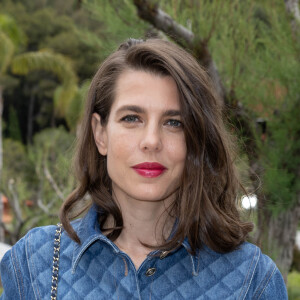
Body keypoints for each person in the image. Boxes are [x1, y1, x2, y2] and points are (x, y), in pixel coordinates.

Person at [0, 38, 287, 300]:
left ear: (196, 140)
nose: (151, 141)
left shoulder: (253, 280)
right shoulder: (33, 263)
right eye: (131, 118)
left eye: (174, 122)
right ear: (100, 134)